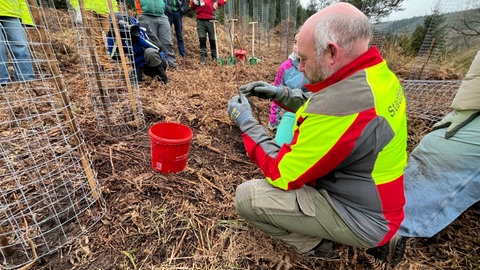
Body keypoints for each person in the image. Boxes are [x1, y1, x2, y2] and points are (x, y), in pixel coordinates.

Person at [227, 2, 407, 268]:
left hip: (360, 213)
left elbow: (282, 172)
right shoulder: (376, 76)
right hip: (375, 198)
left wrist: (246, 122)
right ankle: (372, 237)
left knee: (247, 197)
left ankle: (319, 245)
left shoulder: (341, 109)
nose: (298, 67)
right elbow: (329, 101)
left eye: (303, 59)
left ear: (331, 52)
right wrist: (281, 94)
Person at [397, 50, 480, 239]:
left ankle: (391, 233)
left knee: (442, 157)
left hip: (469, 112)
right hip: (469, 112)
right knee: (436, 154)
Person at [269, 32, 309, 147]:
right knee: (280, 147)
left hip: (310, 115)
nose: (297, 47)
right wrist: (274, 119)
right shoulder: (285, 68)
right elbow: (276, 93)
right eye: (295, 42)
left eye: (302, 43)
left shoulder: (316, 68)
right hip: (291, 113)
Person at [106, 14, 168, 85]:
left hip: (156, 62)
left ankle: (164, 79)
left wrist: (138, 39)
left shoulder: (142, 26)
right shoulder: (112, 35)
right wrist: (116, 39)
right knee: (132, 83)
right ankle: (140, 75)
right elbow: (114, 56)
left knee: (150, 52)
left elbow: (157, 47)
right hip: (139, 66)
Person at [70, 0, 119, 71]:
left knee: (115, 36)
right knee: (97, 39)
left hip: (106, 9)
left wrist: (115, 10)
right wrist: (78, 8)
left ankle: (124, 62)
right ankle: (106, 65)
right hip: (89, 10)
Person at [135, 0, 179, 70]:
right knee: (151, 43)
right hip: (145, 15)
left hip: (161, 15)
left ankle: (172, 64)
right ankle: (155, 66)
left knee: (167, 42)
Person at [0, 0, 35, 84]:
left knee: (21, 44)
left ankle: (27, 78)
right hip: (11, 10)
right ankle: (2, 81)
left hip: (11, 10)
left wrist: (26, 18)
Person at [189, 0, 226, 64]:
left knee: (213, 39)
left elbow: (224, 0)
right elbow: (191, 6)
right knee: (202, 39)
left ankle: (214, 56)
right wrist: (195, 2)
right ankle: (203, 56)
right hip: (200, 19)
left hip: (211, 19)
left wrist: (217, 3)